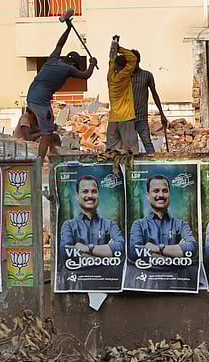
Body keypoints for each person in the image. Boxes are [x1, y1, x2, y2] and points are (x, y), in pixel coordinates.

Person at [26, 10, 97, 161]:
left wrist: (68, 28)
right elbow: (85, 75)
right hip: (39, 101)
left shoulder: (53, 58)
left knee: (50, 124)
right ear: (73, 63)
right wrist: (92, 64)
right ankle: (40, 160)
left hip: (31, 95)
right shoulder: (68, 69)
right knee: (46, 132)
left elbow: (60, 43)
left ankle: (52, 150)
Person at [129, 175, 197, 260]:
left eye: (165, 191)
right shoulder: (139, 225)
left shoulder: (181, 225)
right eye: (156, 191)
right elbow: (134, 252)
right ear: (148, 195)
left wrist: (157, 249)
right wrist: (175, 253)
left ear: (169, 194)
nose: (161, 195)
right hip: (147, 273)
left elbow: (192, 248)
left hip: (177, 273)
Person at [59, 176, 124, 260]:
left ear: (98, 194)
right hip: (78, 273)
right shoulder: (69, 226)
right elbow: (66, 253)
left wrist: (86, 248)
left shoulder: (110, 225)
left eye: (94, 191)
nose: (90, 195)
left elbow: (120, 248)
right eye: (85, 191)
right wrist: (105, 254)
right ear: (77, 196)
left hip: (107, 273)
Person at [130, 49, 168, 153]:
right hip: (128, 118)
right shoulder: (125, 76)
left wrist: (162, 114)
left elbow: (154, 94)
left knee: (147, 143)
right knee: (131, 147)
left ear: (138, 61)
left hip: (142, 117)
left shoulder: (147, 75)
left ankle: (153, 166)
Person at [105, 36, 138, 151]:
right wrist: (120, 49)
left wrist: (114, 44)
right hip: (126, 117)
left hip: (113, 118)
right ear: (125, 67)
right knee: (130, 151)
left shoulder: (110, 76)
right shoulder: (123, 76)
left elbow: (111, 60)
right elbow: (133, 59)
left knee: (112, 151)